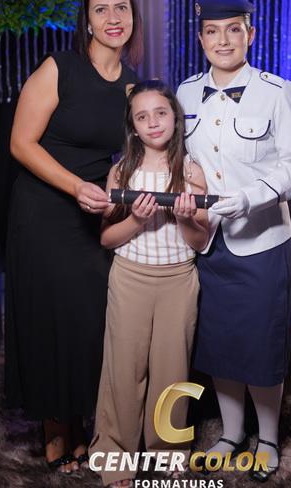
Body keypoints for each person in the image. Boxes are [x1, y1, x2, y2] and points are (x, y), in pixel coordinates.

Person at [5, 0, 143, 474]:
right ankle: (55, 428)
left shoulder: (132, 85)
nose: (113, 18)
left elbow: (130, 155)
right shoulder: (58, 68)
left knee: (89, 318)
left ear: (133, 17)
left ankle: (82, 419)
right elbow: (20, 143)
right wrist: (75, 187)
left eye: (121, 8)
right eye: (101, 9)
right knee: (50, 317)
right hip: (44, 209)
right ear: (87, 20)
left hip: (93, 214)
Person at [176, 0, 291, 482]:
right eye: (212, 32)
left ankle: (269, 438)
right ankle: (232, 434)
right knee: (220, 343)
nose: (223, 41)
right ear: (201, 39)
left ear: (250, 35)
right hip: (206, 240)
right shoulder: (185, 93)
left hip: (262, 241)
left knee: (260, 344)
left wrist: (251, 198)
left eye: (234, 30)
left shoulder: (278, 92)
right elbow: (177, 158)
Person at [89, 80, 209, 488]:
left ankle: (169, 453)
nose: (153, 122)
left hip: (178, 281)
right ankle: (115, 457)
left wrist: (185, 217)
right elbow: (106, 239)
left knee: (172, 371)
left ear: (175, 117)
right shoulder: (121, 171)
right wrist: (137, 220)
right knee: (123, 370)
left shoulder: (191, 171)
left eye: (160, 112)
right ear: (133, 127)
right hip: (129, 279)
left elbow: (200, 242)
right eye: (142, 117)